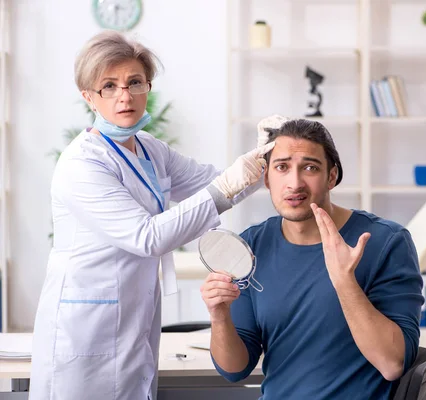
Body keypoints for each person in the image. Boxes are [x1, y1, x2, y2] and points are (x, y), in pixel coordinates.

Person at [29, 30, 275, 400]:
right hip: (85, 329)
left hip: (133, 322)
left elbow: (212, 183)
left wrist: (267, 158)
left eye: (134, 82)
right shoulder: (81, 164)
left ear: (148, 87)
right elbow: (149, 237)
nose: (124, 96)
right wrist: (228, 184)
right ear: (89, 97)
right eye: (108, 86)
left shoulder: (150, 150)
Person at [201, 117, 425, 399]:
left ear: (332, 176)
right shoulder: (252, 245)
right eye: (282, 167)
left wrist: (344, 282)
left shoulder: (386, 242)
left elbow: (392, 364)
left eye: (310, 167)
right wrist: (219, 316)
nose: (295, 183)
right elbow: (235, 369)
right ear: (267, 178)